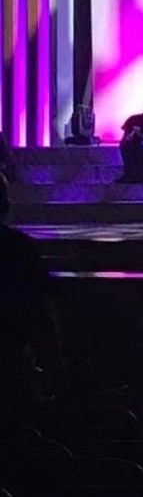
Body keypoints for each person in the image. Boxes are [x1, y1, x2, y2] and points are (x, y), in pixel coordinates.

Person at [0, 172, 63, 416]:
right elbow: (42, 308)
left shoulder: (19, 248)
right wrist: (54, 361)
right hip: (12, 358)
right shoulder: (19, 248)